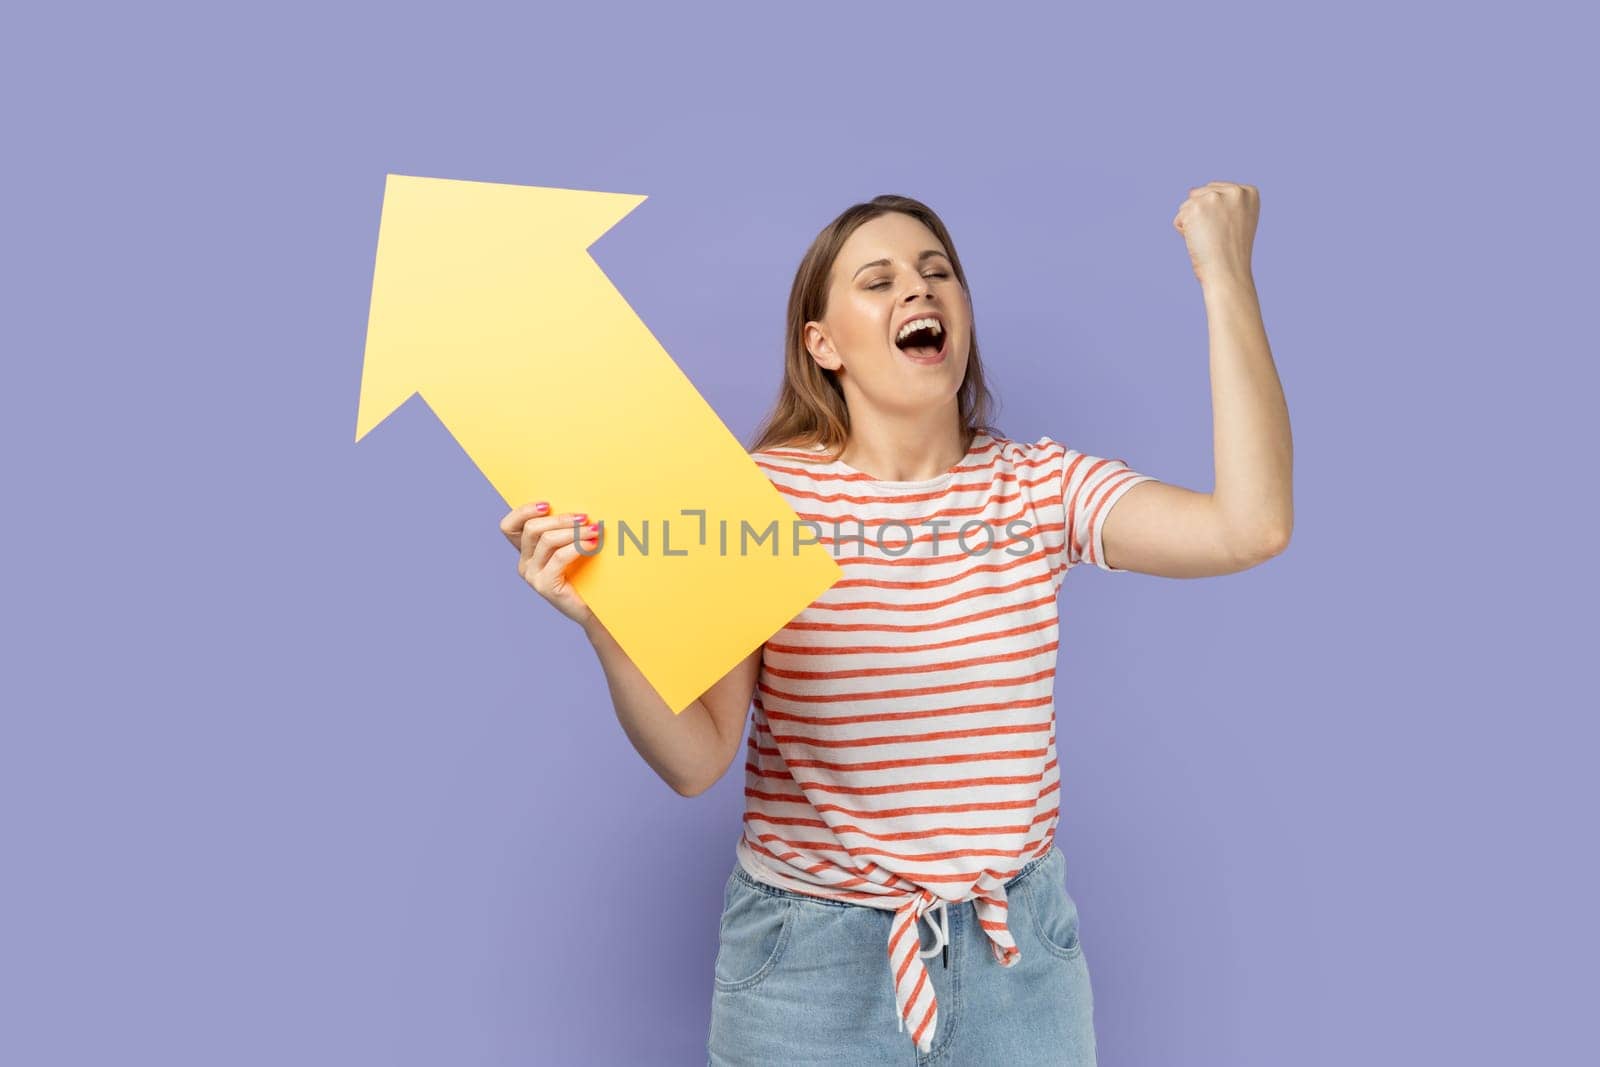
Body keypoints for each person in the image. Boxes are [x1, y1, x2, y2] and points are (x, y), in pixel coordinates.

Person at [501, 190, 1292, 1065]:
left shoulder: (1039, 488)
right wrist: (605, 628)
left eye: (936, 272)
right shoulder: (757, 503)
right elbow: (697, 759)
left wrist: (1224, 274)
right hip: (808, 972)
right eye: (877, 282)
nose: (917, 290)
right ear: (823, 343)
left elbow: (1248, 526)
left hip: (1015, 960)